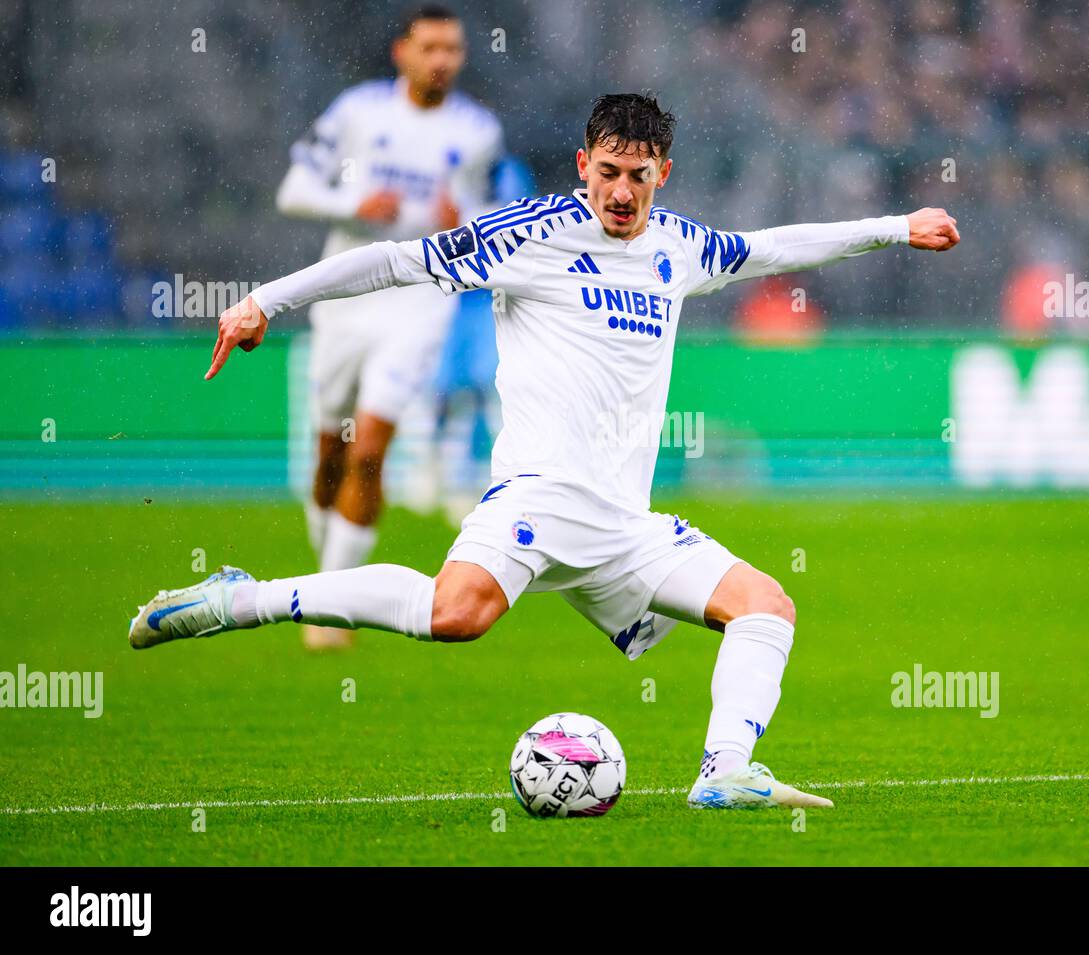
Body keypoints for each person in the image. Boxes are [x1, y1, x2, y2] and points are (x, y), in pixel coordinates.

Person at [129, 93, 959, 809]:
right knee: (456, 616)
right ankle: (241, 599)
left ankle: (724, 771)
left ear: (662, 173)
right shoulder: (531, 234)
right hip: (538, 495)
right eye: (608, 171)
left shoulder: (680, 247)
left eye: (639, 174)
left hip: (624, 525)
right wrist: (265, 302)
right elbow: (392, 261)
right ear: (583, 164)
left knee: (767, 607)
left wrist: (897, 227)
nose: (622, 192)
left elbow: (773, 247)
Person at [277, 4, 502, 648]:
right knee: (332, 454)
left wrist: (468, 218)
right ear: (402, 52)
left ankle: (325, 611)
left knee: (370, 450)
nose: (443, 60)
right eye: (430, 47)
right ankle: (326, 581)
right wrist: (353, 203)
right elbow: (293, 190)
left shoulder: (478, 130)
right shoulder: (357, 113)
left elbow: (490, 211)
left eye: (453, 49)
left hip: (417, 305)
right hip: (347, 298)